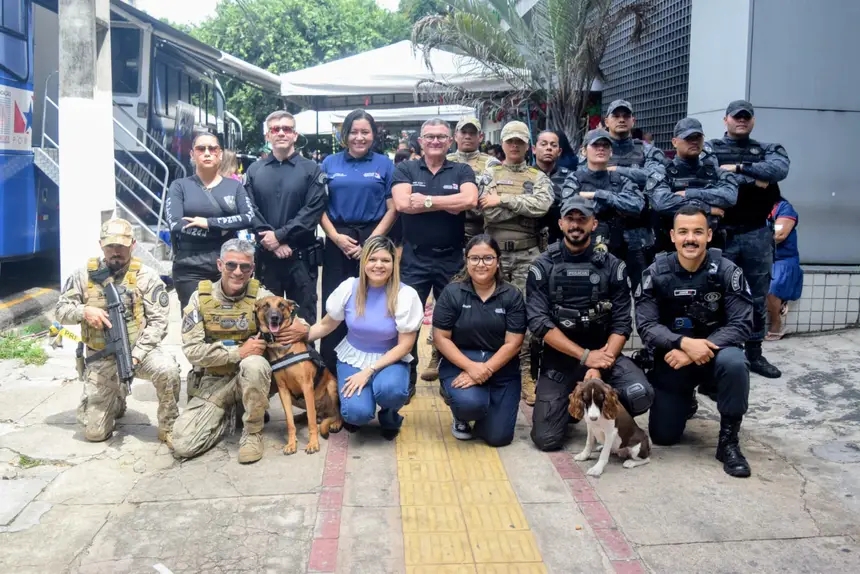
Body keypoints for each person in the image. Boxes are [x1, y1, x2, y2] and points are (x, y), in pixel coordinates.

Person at [526, 194, 653, 451]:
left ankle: (604, 426)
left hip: (605, 353)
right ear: (560, 224)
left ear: (594, 224)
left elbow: (621, 323)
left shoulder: (612, 265)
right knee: (546, 440)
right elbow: (539, 322)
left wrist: (600, 362)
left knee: (640, 394)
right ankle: (574, 410)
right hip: (561, 358)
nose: (576, 225)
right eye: (570, 219)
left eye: (582, 219)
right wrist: (586, 358)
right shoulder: (542, 265)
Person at [635, 205, 753, 477]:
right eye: (684, 232)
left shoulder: (726, 270)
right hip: (674, 361)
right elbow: (647, 326)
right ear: (673, 236)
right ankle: (685, 400)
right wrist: (684, 344)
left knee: (735, 362)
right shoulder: (656, 272)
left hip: (715, 359)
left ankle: (728, 442)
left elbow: (742, 323)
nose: (691, 238)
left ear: (709, 235)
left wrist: (696, 348)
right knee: (664, 437)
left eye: (698, 232)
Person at [172, 239, 307, 464]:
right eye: (231, 265)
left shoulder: (260, 296)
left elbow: (292, 318)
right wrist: (238, 352)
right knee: (184, 445)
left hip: (253, 378)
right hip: (213, 383)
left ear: (252, 269)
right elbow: (192, 351)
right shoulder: (201, 298)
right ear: (219, 265)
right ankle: (230, 413)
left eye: (245, 267)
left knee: (254, 364)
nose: (238, 272)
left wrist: (303, 328)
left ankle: (253, 432)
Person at [55, 219, 180, 445]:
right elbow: (60, 310)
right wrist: (84, 311)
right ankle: (116, 397)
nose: (116, 252)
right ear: (101, 245)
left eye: (121, 246)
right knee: (95, 433)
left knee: (168, 370)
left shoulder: (146, 276)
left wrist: (137, 354)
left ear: (132, 245)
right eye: (111, 246)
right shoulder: (83, 275)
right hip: (101, 354)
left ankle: (169, 425)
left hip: (139, 351)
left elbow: (158, 322)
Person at [392, 117, 479, 400]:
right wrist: (446, 203)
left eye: (441, 137)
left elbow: (469, 201)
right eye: (430, 137)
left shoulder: (461, 169)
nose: (435, 141)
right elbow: (404, 204)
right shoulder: (406, 168)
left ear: (450, 140)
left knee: (453, 321)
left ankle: (448, 376)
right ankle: (407, 378)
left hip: (452, 258)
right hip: (414, 259)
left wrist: (427, 201)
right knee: (408, 321)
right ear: (421, 140)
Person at [705, 100, 791, 379]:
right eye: (736, 117)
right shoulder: (711, 148)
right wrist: (756, 180)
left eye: (746, 117)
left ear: (752, 121)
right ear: (726, 119)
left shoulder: (768, 149)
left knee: (756, 295)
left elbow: (778, 171)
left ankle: (754, 353)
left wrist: (738, 170)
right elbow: (708, 176)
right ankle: (717, 350)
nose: (741, 121)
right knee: (716, 293)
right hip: (720, 233)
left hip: (756, 233)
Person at [306, 236, 422, 439]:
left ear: (394, 263)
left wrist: (368, 371)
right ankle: (362, 411)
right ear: (364, 262)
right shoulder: (349, 288)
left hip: (390, 357)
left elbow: (405, 346)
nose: (378, 265)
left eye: (385, 260)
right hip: (353, 356)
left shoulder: (406, 295)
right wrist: (293, 336)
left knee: (390, 391)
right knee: (355, 413)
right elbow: (325, 325)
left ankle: (390, 415)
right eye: (373, 259)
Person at [318, 110, 398, 376]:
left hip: (373, 238)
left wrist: (372, 243)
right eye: (354, 131)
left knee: (373, 304)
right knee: (335, 305)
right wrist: (336, 237)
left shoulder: (385, 165)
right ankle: (329, 375)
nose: (359, 137)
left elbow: (393, 208)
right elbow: (318, 207)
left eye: (365, 132)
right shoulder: (329, 163)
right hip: (337, 239)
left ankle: (378, 372)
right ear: (345, 135)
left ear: (373, 135)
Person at [479, 120, 553, 405]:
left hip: (527, 254)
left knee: (524, 316)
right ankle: (494, 369)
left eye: (519, 142)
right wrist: (519, 204)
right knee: (491, 312)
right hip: (493, 254)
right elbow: (486, 212)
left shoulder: (537, 176)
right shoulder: (490, 172)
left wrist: (504, 200)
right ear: (503, 144)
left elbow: (542, 207)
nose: (514, 146)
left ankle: (525, 372)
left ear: (527, 146)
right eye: (510, 141)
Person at [434, 235, 526, 446]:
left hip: (501, 365)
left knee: (498, 438)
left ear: (498, 260)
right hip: (461, 362)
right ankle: (461, 413)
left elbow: (514, 342)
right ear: (466, 260)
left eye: (488, 258)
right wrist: (471, 368)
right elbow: (441, 338)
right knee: (470, 404)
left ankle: (488, 409)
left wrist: (484, 370)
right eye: (474, 258)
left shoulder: (512, 295)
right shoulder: (452, 293)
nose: (481, 264)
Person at [245, 110, 326, 324]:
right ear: (267, 136)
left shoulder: (312, 169)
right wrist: (272, 243)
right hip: (267, 260)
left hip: (301, 260)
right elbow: (248, 209)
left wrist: (280, 236)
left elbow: (312, 211)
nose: (281, 133)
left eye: (287, 129)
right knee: (266, 323)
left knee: (303, 323)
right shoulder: (254, 170)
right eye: (275, 129)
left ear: (295, 135)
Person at [165, 132, 255, 310]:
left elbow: (248, 217)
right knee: (195, 323)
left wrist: (210, 223)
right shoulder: (179, 186)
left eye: (212, 148)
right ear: (192, 154)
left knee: (231, 321)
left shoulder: (234, 186)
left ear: (220, 154)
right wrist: (221, 230)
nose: (207, 153)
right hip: (190, 267)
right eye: (201, 149)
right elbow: (175, 224)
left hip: (229, 266)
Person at [560, 129, 646, 288]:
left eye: (605, 146)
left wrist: (597, 195)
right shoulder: (575, 179)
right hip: (584, 248)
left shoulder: (620, 179)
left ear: (611, 151)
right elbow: (571, 209)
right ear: (584, 151)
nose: (601, 149)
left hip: (621, 248)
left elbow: (636, 205)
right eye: (596, 145)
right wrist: (616, 203)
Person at [647, 118, 738, 254]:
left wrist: (689, 193)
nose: (694, 142)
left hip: (711, 251)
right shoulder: (662, 172)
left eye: (698, 137)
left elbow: (729, 197)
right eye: (688, 138)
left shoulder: (716, 172)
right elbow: (662, 202)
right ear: (675, 142)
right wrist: (706, 208)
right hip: (670, 250)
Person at [603, 99, 668, 285]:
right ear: (607, 121)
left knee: (644, 291)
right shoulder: (595, 149)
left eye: (626, 116)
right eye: (616, 116)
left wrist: (615, 171)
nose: (621, 119)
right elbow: (587, 179)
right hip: (605, 231)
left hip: (639, 233)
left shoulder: (648, 151)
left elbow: (656, 177)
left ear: (634, 121)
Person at [766, 197, 802, 340]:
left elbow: (780, 235)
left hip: (783, 258)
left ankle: (776, 324)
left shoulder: (784, 208)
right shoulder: (751, 208)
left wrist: (755, 240)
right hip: (761, 256)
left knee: (773, 285)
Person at [534, 130, 574, 248]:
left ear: (559, 151)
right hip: (532, 244)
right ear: (534, 149)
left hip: (561, 242)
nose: (549, 148)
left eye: (553, 145)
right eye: (544, 144)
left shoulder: (570, 177)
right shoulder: (525, 176)